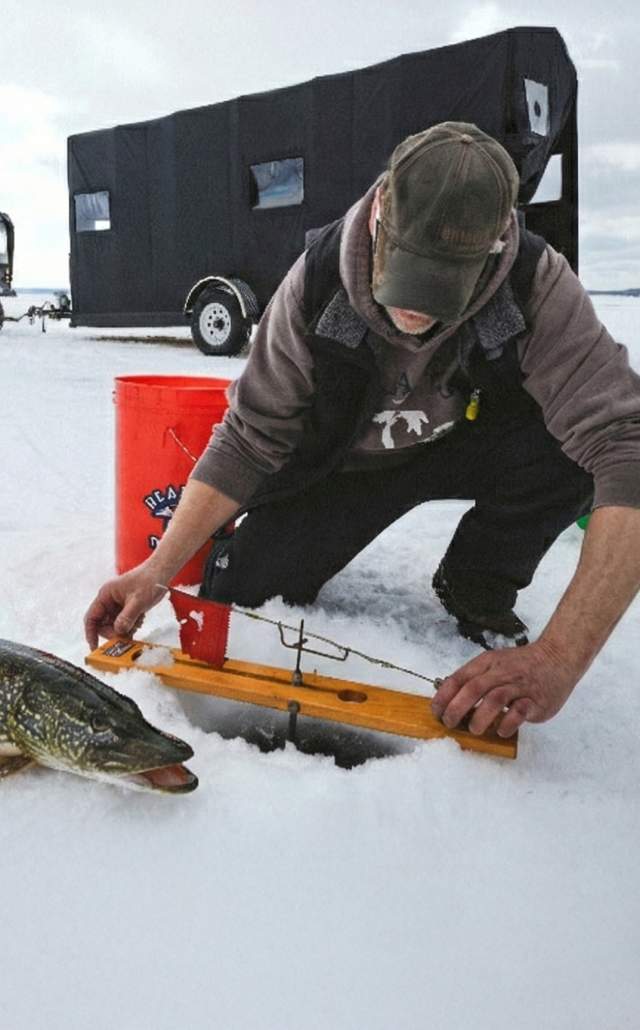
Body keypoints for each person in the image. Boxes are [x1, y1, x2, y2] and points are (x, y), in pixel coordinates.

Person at [84, 122, 640, 740]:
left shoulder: (535, 281)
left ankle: (477, 581)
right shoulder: (314, 285)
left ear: (494, 245)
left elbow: (627, 446)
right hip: (347, 466)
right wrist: (158, 569)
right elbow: (246, 439)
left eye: (444, 286)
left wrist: (558, 659)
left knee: (577, 454)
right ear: (380, 216)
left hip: (473, 442)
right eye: (409, 274)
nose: (418, 311)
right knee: (245, 589)